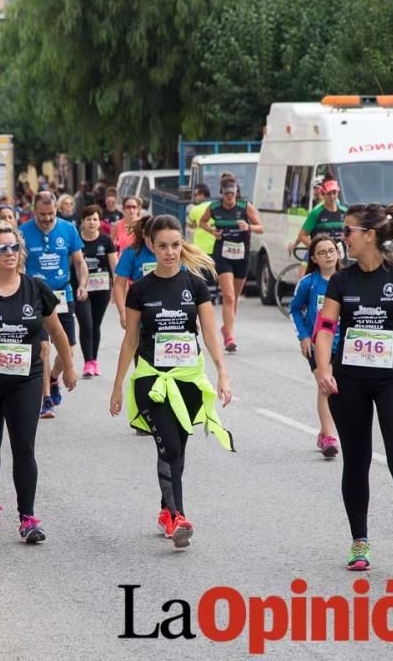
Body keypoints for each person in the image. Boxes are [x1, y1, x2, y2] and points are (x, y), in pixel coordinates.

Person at [315, 202, 393, 578]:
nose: (343, 238)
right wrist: (324, 368)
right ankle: (360, 542)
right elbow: (325, 327)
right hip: (350, 382)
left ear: (368, 235)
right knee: (357, 461)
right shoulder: (341, 280)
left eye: (348, 231)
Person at [109, 214, 233, 549]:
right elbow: (130, 341)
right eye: (162, 246)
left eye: (175, 245)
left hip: (188, 381)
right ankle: (178, 517)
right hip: (153, 381)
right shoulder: (141, 290)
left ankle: (166, 511)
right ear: (150, 245)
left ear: (183, 244)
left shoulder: (194, 285)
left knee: (177, 452)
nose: (170, 252)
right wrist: (118, 385)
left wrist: (221, 371)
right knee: (171, 447)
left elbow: (209, 332)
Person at [0, 221, 78, 543]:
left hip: (25, 379)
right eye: (2, 248)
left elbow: (57, 332)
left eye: (14, 247)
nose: (10, 253)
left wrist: (68, 367)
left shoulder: (35, 288)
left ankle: (28, 518)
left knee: (24, 445)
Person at [21, 191, 88, 419]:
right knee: (44, 348)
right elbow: (18, 265)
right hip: (35, 297)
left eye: (51, 214)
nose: (47, 218)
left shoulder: (68, 229)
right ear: (34, 210)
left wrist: (82, 284)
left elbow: (79, 262)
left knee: (67, 349)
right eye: (42, 214)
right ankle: (45, 400)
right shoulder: (23, 231)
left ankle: (52, 377)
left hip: (63, 295)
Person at [288, 236, 341, 456]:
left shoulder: (347, 280)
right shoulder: (309, 283)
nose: (328, 255)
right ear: (314, 258)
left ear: (338, 253)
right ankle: (329, 436)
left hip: (345, 344)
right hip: (318, 344)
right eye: (322, 252)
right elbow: (294, 310)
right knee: (325, 385)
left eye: (331, 250)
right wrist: (304, 336)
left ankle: (324, 431)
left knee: (341, 390)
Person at [198, 179, 263, 352]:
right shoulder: (214, 208)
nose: (229, 197)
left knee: (234, 299)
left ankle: (226, 328)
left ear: (236, 193)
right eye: (226, 194)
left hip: (241, 255)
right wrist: (212, 231)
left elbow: (260, 227)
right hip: (222, 254)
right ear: (221, 193)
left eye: (232, 193)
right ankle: (229, 336)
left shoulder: (244, 206)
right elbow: (202, 222)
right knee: (229, 296)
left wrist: (248, 226)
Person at [75, 205, 118, 377]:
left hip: (101, 289)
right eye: (88, 219)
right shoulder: (76, 240)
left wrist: (116, 289)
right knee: (86, 324)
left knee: (96, 325)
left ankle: (94, 361)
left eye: (95, 219)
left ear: (99, 222)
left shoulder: (106, 241)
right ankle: (87, 362)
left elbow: (114, 267)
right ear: (82, 222)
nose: (92, 222)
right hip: (81, 288)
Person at [113, 214, 159, 329]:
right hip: (140, 306)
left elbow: (183, 283)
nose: (154, 244)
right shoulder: (132, 253)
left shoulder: (172, 252)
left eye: (157, 240)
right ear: (143, 235)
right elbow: (119, 285)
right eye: (150, 240)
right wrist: (122, 312)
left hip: (167, 306)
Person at [291, 174, 345, 253]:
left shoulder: (345, 212)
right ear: (323, 194)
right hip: (321, 258)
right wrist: (317, 249)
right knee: (304, 265)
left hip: (341, 257)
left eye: (334, 193)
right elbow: (302, 235)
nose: (332, 196)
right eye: (329, 193)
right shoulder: (316, 213)